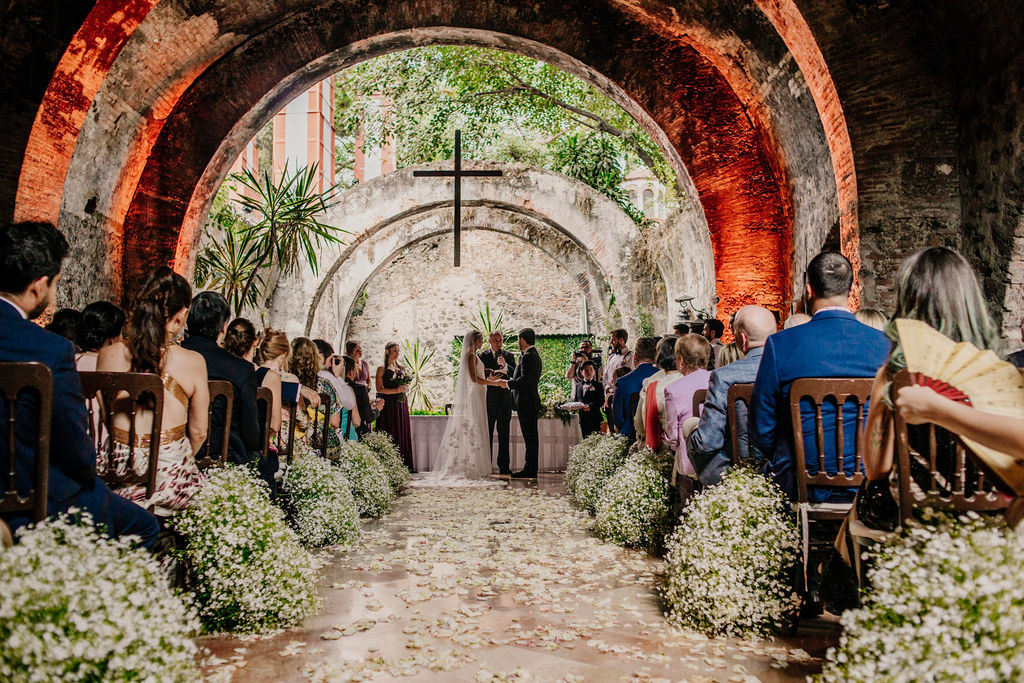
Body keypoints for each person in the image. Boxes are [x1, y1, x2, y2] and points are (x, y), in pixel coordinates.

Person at [0, 221, 159, 547]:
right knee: (145, 527)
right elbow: (76, 450)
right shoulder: (51, 350)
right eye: (56, 285)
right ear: (38, 286)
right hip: (34, 501)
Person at [860, 247, 1005, 525]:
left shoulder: (895, 375)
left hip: (915, 514)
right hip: (991, 514)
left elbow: (876, 468)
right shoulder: (999, 372)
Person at [750, 251, 889, 503]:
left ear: (809, 290)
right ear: (850, 288)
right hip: (871, 483)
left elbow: (762, 427)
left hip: (800, 484)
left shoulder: (781, 345)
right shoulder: (886, 345)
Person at [96, 267, 208, 515]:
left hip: (114, 474)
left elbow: (106, 417)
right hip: (167, 480)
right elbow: (199, 432)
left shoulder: (108, 354)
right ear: (181, 316)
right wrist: (173, 461)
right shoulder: (193, 361)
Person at [686, 305, 776, 485]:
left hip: (736, 470)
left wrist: (690, 438)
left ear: (741, 339)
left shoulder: (724, 376)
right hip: (782, 470)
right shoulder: (791, 370)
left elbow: (707, 441)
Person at [181, 292, 265, 484]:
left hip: (175, 450)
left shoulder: (169, 359)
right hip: (225, 459)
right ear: (223, 328)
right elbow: (251, 434)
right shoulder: (241, 370)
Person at [421, 330, 507, 485]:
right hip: (475, 394)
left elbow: (478, 373)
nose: (482, 343)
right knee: (474, 427)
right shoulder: (471, 355)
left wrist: (489, 374)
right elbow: (474, 378)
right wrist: (494, 383)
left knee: (479, 427)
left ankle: (478, 464)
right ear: (476, 341)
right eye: (481, 340)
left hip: (480, 394)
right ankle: (471, 465)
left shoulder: (474, 355)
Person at [224, 318, 282, 445]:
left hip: (219, 446)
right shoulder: (270, 377)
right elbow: (274, 425)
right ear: (255, 342)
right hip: (253, 449)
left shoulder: (219, 371)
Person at [664, 335, 712, 481]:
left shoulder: (673, 390)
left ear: (681, 361)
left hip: (689, 464)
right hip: (717, 460)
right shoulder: (718, 379)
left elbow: (673, 437)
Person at [496, 328, 543, 478]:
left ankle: (530, 469)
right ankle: (530, 468)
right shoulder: (532, 355)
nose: (518, 342)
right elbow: (522, 375)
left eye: (518, 339)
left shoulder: (529, 356)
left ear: (522, 339)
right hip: (528, 402)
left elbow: (525, 380)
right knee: (530, 437)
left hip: (527, 402)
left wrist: (508, 384)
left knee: (530, 438)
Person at [480, 331, 517, 474]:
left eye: (500, 340)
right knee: (487, 433)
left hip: (504, 400)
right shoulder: (482, 356)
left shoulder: (509, 356)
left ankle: (504, 466)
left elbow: (515, 374)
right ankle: (486, 465)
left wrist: (506, 365)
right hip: (489, 400)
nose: (498, 343)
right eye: (495, 340)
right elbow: (477, 374)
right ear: (489, 341)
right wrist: (490, 376)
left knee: (504, 434)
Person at [634, 335, 681, 448]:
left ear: (658, 357)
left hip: (661, 448)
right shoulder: (689, 380)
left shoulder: (651, 383)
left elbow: (641, 425)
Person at [376, 341, 415, 471]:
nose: (397, 353)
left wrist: (405, 388)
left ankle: (403, 463)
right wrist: (396, 391)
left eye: (398, 351)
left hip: (401, 403)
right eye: (394, 351)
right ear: (387, 351)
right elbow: (379, 389)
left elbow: (404, 384)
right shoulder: (381, 368)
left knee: (402, 429)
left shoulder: (400, 368)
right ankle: (389, 464)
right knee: (391, 430)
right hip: (389, 405)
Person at [611, 337, 659, 441]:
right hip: (658, 434)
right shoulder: (663, 377)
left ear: (635, 356)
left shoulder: (622, 382)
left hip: (630, 436)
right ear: (655, 357)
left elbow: (618, 418)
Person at [75, 301, 125, 372]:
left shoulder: (68, 361)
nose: (121, 338)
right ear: (112, 339)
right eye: (120, 333)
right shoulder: (115, 366)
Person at [313, 339, 357, 412]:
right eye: (330, 360)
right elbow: (350, 404)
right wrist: (338, 376)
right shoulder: (324, 375)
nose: (330, 365)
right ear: (321, 357)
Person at [346, 355, 383, 437]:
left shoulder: (333, 386)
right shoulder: (360, 389)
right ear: (351, 372)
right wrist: (377, 409)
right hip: (356, 432)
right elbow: (369, 417)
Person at [578, 361, 606, 438]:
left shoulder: (598, 385)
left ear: (594, 372)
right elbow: (576, 400)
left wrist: (590, 407)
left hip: (595, 418)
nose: (589, 372)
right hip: (582, 419)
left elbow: (601, 401)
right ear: (581, 372)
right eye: (586, 370)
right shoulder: (578, 386)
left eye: (591, 369)